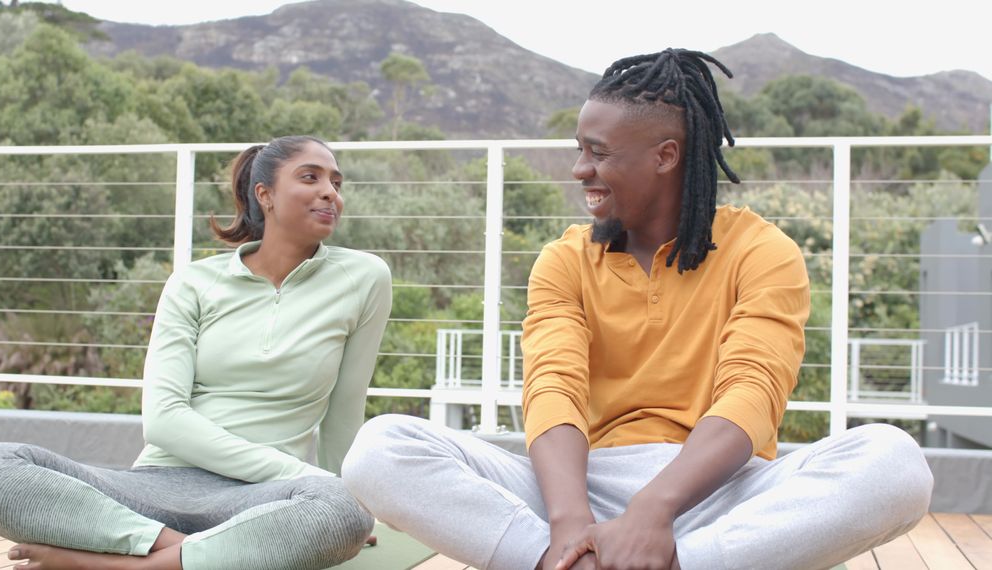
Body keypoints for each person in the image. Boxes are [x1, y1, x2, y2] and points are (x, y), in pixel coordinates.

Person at [342, 50, 933, 570]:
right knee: (381, 448)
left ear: (666, 155)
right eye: (580, 150)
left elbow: (752, 393)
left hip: (717, 492)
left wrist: (654, 511)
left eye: (597, 153)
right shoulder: (563, 260)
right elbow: (553, 390)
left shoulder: (762, 251)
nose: (580, 170)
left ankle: (675, 562)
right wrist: (569, 524)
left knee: (894, 463)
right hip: (581, 485)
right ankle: (567, 561)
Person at [0, 135, 393, 570]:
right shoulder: (195, 283)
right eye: (310, 177)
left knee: (341, 510)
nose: (329, 192)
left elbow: (344, 409)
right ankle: (185, 552)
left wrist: (342, 495)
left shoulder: (362, 277)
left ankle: (123, 564)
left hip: (260, 497)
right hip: (153, 486)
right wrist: (307, 477)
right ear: (266, 195)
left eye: (336, 182)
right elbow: (163, 418)